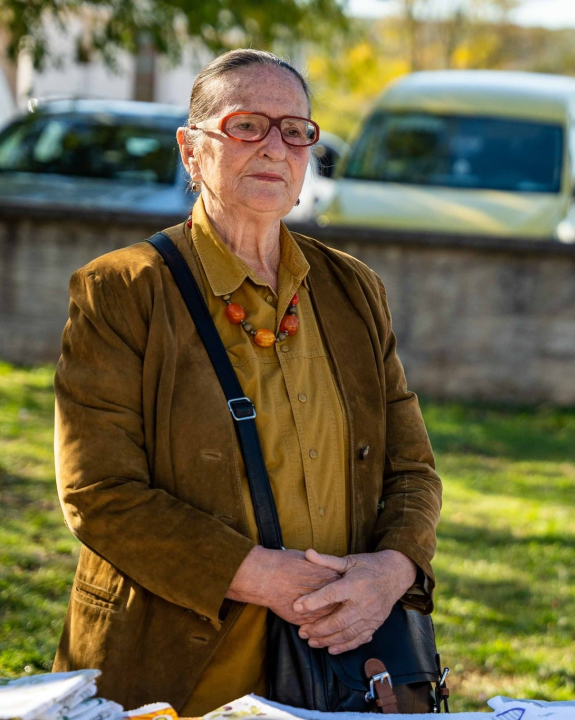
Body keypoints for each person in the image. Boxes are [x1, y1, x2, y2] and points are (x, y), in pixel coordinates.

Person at [51, 49, 441, 715]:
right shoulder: (122, 290)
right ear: (190, 150)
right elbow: (100, 493)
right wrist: (263, 577)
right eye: (246, 125)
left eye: (295, 130)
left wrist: (392, 571)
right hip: (171, 674)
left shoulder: (353, 290)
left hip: (339, 668)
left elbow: (412, 471)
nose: (275, 147)